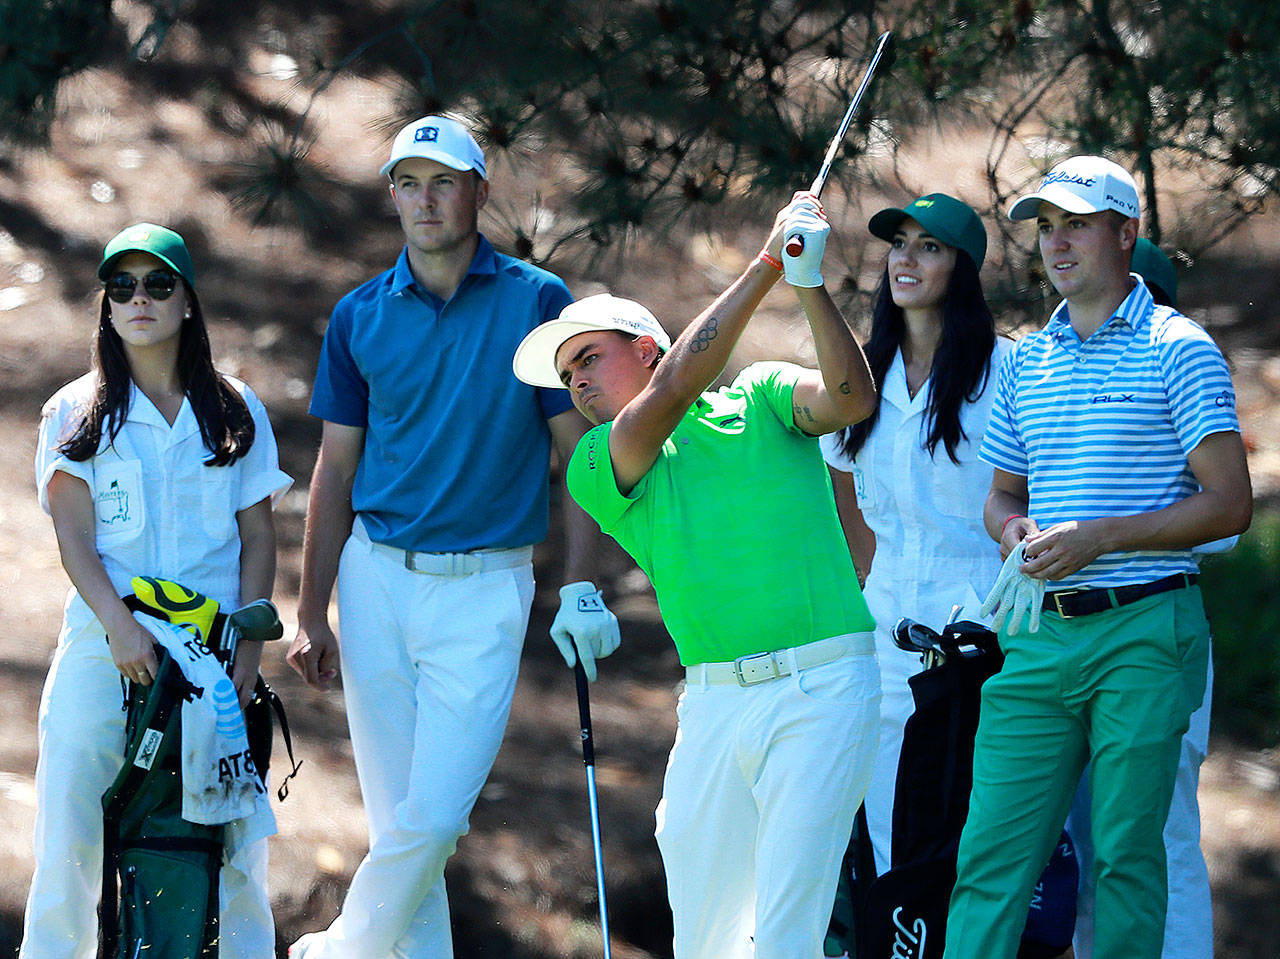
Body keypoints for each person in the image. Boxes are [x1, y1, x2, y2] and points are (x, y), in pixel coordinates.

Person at [511, 194, 881, 959]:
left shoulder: (764, 397)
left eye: (589, 358)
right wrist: (767, 263)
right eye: (567, 374)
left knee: (787, 932)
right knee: (705, 938)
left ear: (647, 346)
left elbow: (852, 398)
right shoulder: (597, 462)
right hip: (714, 704)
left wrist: (807, 282)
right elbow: (676, 387)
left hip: (823, 687)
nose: (577, 383)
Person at [285, 114, 616, 959]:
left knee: (432, 819)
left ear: (478, 191)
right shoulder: (359, 315)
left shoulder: (536, 301)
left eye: (443, 182)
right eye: (409, 183)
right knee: (403, 828)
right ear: (393, 195)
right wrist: (311, 610)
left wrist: (582, 584)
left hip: (485, 588)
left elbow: (578, 454)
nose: (425, 200)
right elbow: (335, 469)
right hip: (375, 582)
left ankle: (339, 951)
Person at [943, 155, 1252, 959]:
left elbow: (1230, 503)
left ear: (1125, 233)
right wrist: (1012, 530)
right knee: (989, 858)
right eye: (1046, 227)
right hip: (1040, 634)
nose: (1056, 242)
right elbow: (1001, 495)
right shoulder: (1028, 360)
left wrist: (1103, 535)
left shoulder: (1179, 348)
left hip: (1144, 627)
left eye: (1075, 225)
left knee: (1124, 857)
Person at [24, 222, 289, 959]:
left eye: (158, 284)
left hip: (214, 659)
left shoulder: (235, 407)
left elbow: (259, 538)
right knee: (69, 833)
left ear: (188, 300)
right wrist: (119, 626)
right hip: (104, 647)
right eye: (122, 286)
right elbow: (74, 538)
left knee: (234, 843)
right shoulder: (72, 411)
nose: (139, 299)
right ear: (107, 306)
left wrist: (248, 651)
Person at [820, 192, 1008, 875]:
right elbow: (838, 469)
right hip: (886, 621)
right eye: (898, 244)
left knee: (974, 823)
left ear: (963, 268)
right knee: (887, 815)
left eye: (929, 247)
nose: (906, 259)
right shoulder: (864, 368)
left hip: (986, 618)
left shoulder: (1008, 370)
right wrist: (866, 567)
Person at [1067, 237, 1221, 959]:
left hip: (1160, 630)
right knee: (1086, 839)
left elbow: (1223, 523)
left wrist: (1111, 529)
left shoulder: (1179, 378)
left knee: (1160, 834)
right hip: (1073, 640)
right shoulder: (1064, 387)